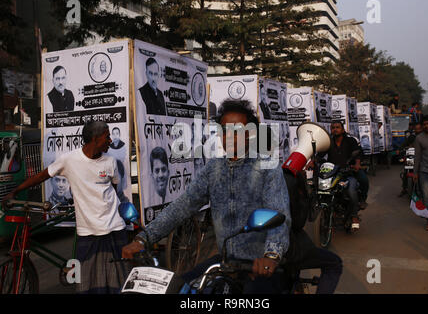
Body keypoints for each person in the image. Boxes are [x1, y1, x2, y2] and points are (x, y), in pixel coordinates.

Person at [123, 99, 291, 294]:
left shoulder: (267, 166)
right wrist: (144, 238)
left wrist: (271, 255)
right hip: (225, 261)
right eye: (225, 131)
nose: (230, 137)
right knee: (181, 288)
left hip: (258, 265)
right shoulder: (213, 168)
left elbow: (279, 213)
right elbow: (184, 205)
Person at [2, 121, 129, 294]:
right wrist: (15, 191)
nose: (110, 141)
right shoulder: (69, 160)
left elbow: (114, 191)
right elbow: (41, 176)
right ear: (94, 139)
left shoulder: (110, 162)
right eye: (107, 137)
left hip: (114, 228)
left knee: (117, 283)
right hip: (88, 232)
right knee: (85, 285)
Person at [318, 121, 367, 231]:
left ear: (343, 129)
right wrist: (314, 162)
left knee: (351, 190)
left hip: (348, 173)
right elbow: (320, 154)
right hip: (332, 174)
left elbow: (357, 153)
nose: (335, 129)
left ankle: (354, 215)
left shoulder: (350, 140)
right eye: (333, 128)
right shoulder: (328, 142)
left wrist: (357, 164)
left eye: (337, 127)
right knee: (321, 190)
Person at [397, 122, 423, 197]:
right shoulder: (412, 137)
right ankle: (404, 188)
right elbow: (404, 143)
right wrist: (399, 149)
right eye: (416, 129)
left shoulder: (424, 136)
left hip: (422, 156)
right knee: (406, 170)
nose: (418, 130)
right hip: (411, 154)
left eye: (419, 129)